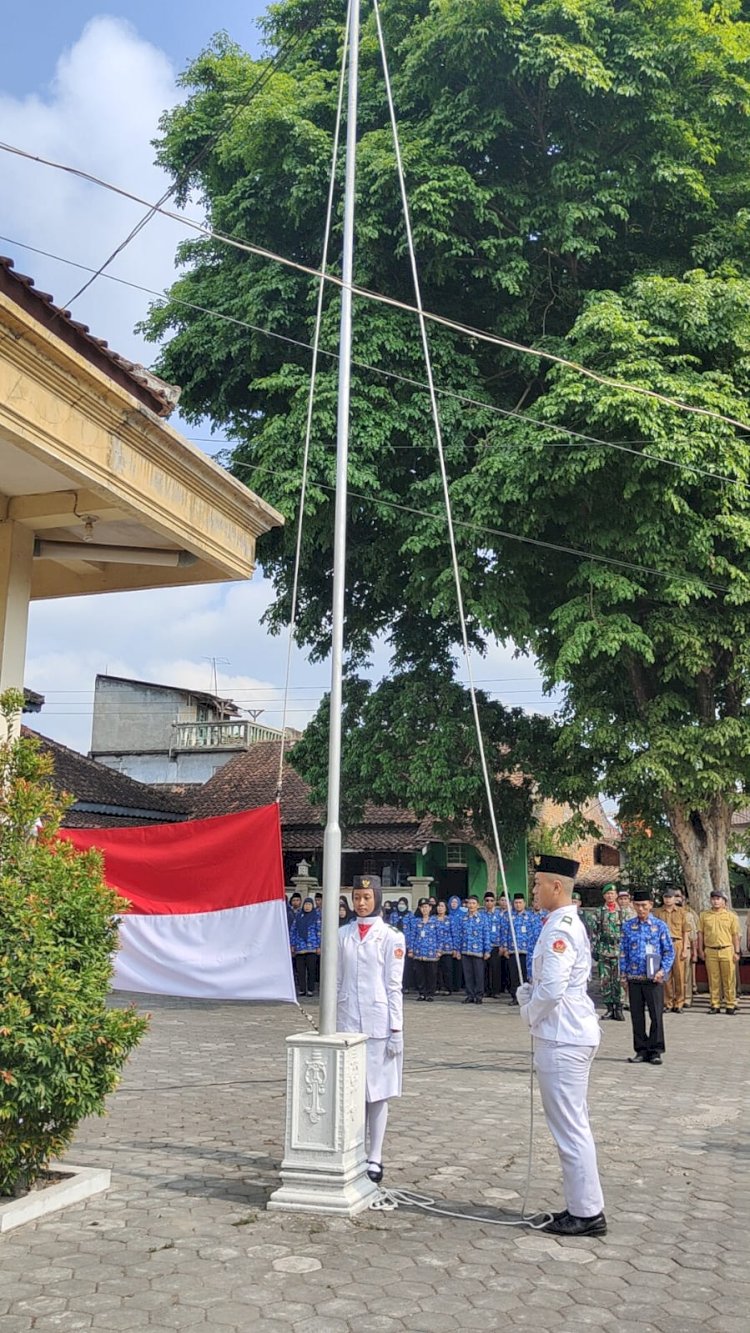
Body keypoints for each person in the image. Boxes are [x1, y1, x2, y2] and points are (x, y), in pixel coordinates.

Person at [516, 853, 606, 1238]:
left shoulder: (560, 929)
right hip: (567, 1032)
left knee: (570, 1127)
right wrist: (530, 993)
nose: (533, 890)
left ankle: (586, 1213)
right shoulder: (563, 923)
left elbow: (552, 990)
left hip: (561, 1035)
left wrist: (529, 1012)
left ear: (557, 887)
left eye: (538, 884)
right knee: (573, 1124)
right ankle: (583, 1206)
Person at [337, 874, 405, 1183]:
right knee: (351, 1091)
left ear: (377, 898)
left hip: (379, 1022)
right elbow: (336, 980)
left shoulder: (391, 936)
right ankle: (353, 1150)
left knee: (377, 1093)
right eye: (356, 898)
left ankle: (375, 1155)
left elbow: (394, 986)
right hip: (348, 1020)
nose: (361, 903)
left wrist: (397, 1029)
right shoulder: (342, 935)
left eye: (367, 897)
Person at [619, 889, 674, 1064]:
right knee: (636, 1015)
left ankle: (656, 1050)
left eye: (644, 905)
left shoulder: (659, 926)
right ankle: (641, 1050)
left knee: (656, 1015)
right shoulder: (628, 926)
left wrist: (662, 971)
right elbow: (623, 952)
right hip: (635, 978)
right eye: (637, 905)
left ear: (651, 905)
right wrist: (623, 975)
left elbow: (669, 951)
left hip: (654, 979)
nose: (641, 909)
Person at [697, 888, 741, 1014]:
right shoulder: (704, 915)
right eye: (713, 899)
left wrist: (737, 952)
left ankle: (730, 1004)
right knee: (713, 978)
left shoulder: (731, 916)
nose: (715, 901)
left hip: (727, 949)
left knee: (729, 979)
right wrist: (700, 949)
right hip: (710, 950)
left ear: (724, 901)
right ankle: (715, 1004)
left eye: (718, 899)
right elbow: (700, 933)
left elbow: (735, 935)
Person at [591, 884, 627, 1021]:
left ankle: (619, 1008)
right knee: (605, 981)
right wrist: (594, 949)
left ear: (616, 895)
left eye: (612, 893)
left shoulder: (623, 912)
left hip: (619, 951)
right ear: (604, 896)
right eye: (607, 894)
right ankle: (609, 1008)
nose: (610, 896)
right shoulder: (599, 912)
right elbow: (594, 933)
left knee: (619, 980)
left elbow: (628, 933)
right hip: (604, 951)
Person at [654, 888, 690, 1013]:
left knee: (679, 975)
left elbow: (686, 932)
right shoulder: (658, 912)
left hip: (677, 943)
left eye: (670, 897)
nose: (668, 899)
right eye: (666, 897)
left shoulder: (682, 912)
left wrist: (685, 948)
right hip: (663, 945)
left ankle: (679, 1002)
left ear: (675, 898)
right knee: (666, 975)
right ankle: (667, 1002)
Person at [456, 895, 490, 1004]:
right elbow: (459, 936)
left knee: (479, 975)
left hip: (478, 951)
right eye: (469, 903)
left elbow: (486, 935)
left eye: (473, 903)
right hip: (465, 950)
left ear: (478, 905)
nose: (471, 905)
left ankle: (479, 996)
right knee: (468, 974)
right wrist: (457, 950)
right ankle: (470, 995)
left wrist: (487, 950)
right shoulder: (463, 919)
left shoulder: (483, 919)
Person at [502, 892, 534, 1002]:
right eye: (516, 903)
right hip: (512, 950)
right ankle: (515, 997)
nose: (518, 905)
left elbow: (533, 934)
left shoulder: (530, 917)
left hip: (526, 951)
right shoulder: (509, 917)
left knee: (525, 975)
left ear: (524, 903)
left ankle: (526, 997)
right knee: (513, 975)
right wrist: (505, 947)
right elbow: (505, 932)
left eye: (520, 902)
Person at [409, 898, 439, 1000]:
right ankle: (422, 993)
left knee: (431, 973)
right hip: (419, 952)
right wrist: (411, 949)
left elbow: (439, 937)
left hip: (431, 952)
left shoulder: (435, 921)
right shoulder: (416, 922)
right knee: (419, 974)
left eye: (426, 907)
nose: (424, 909)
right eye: (422, 907)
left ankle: (430, 994)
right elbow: (412, 936)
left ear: (430, 908)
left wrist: (439, 950)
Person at [290, 896, 321, 996]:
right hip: (300, 947)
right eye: (306, 905)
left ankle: (310, 989)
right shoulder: (299, 916)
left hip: (312, 947)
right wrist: (292, 944)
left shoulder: (316, 917)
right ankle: (302, 989)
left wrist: (319, 946)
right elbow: (293, 931)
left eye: (309, 905)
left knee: (311, 969)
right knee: (300, 970)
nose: (307, 907)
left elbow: (319, 931)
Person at [675, 891, 699, 1007]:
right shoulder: (663, 913)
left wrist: (695, 951)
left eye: (679, 896)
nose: (677, 899)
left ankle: (687, 999)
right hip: (671, 947)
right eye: (675, 896)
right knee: (672, 976)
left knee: (686, 976)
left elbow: (693, 935)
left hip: (686, 947)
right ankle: (675, 999)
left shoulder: (689, 914)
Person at [481, 891, 504, 997]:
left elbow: (503, 931)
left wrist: (502, 945)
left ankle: (495, 991)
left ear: (495, 902)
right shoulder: (481, 915)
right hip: (484, 947)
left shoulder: (500, 915)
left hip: (496, 946)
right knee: (484, 969)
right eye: (487, 901)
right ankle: (486, 990)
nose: (489, 903)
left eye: (491, 900)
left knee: (495, 969)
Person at [434, 900, 457, 994]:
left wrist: (455, 948)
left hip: (448, 949)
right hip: (435, 949)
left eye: (442, 906)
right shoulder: (433, 919)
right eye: (438, 906)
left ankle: (448, 988)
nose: (440, 908)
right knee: (436, 970)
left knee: (447, 969)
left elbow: (454, 934)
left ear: (446, 908)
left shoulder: (450, 919)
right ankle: (438, 987)